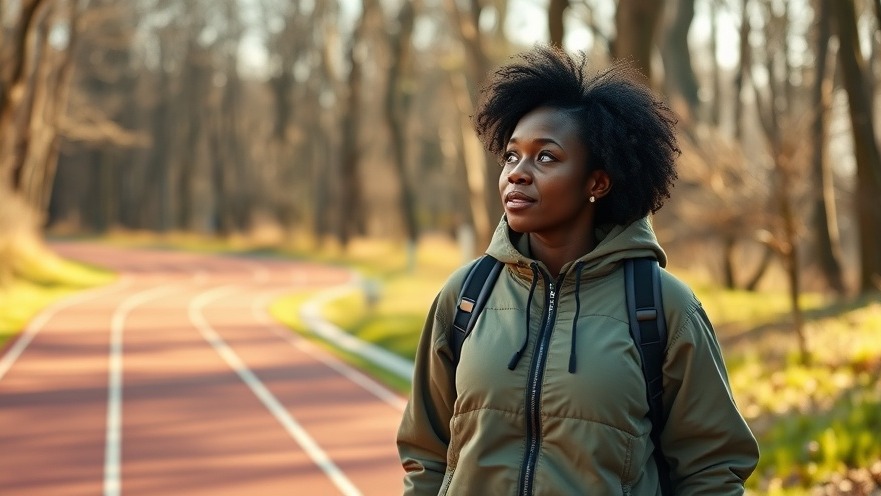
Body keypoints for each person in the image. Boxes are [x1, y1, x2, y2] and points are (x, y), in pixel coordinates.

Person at [397, 45, 759, 495]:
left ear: (597, 182)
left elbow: (712, 470)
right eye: (511, 156)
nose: (518, 174)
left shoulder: (663, 308)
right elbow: (426, 453)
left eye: (545, 157)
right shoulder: (466, 295)